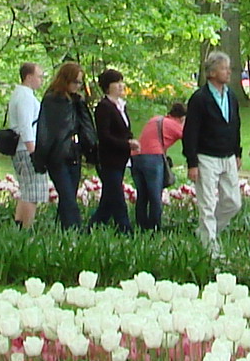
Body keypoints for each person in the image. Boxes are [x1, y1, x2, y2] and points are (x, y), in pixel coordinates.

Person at [183, 52, 246, 248]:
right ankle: (210, 248)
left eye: (228, 68)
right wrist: (192, 163)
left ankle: (206, 231)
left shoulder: (231, 96)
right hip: (206, 157)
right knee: (207, 204)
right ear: (211, 72)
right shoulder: (200, 98)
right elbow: (190, 131)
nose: (228, 72)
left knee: (234, 202)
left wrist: (237, 152)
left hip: (228, 156)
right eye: (223, 68)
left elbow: (235, 124)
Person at [35, 60, 98, 232]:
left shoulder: (76, 102)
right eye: (75, 82)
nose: (78, 86)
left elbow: (86, 129)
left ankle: (63, 231)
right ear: (66, 79)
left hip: (74, 155)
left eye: (80, 82)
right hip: (57, 157)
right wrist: (41, 159)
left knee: (69, 196)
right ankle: (75, 231)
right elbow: (46, 132)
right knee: (68, 196)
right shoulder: (52, 101)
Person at [88, 69, 135, 230]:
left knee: (108, 199)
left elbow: (125, 130)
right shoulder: (104, 107)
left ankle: (93, 226)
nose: (121, 85)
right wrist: (127, 144)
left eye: (122, 81)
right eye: (117, 82)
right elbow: (105, 135)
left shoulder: (121, 106)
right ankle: (125, 229)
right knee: (117, 196)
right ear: (108, 87)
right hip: (108, 159)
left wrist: (130, 141)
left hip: (120, 159)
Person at [131, 104, 185, 232]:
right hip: (153, 158)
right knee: (155, 196)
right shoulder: (175, 125)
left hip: (136, 157)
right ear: (182, 118)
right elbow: (190, 139)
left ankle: (141, 226)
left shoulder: (155, 119)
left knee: (142, 195)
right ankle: (154, 228)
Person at [5, 64, 44, 229]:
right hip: (26, 149)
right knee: (33, 193)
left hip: (21, 149)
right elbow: (26, 126)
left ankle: (19, 226)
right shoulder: (25, 97)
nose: (41, 80)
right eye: (39, 76)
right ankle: (27, 228)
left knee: (27, 190)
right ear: (29, 77)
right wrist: (33, 151)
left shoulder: (20, 94)